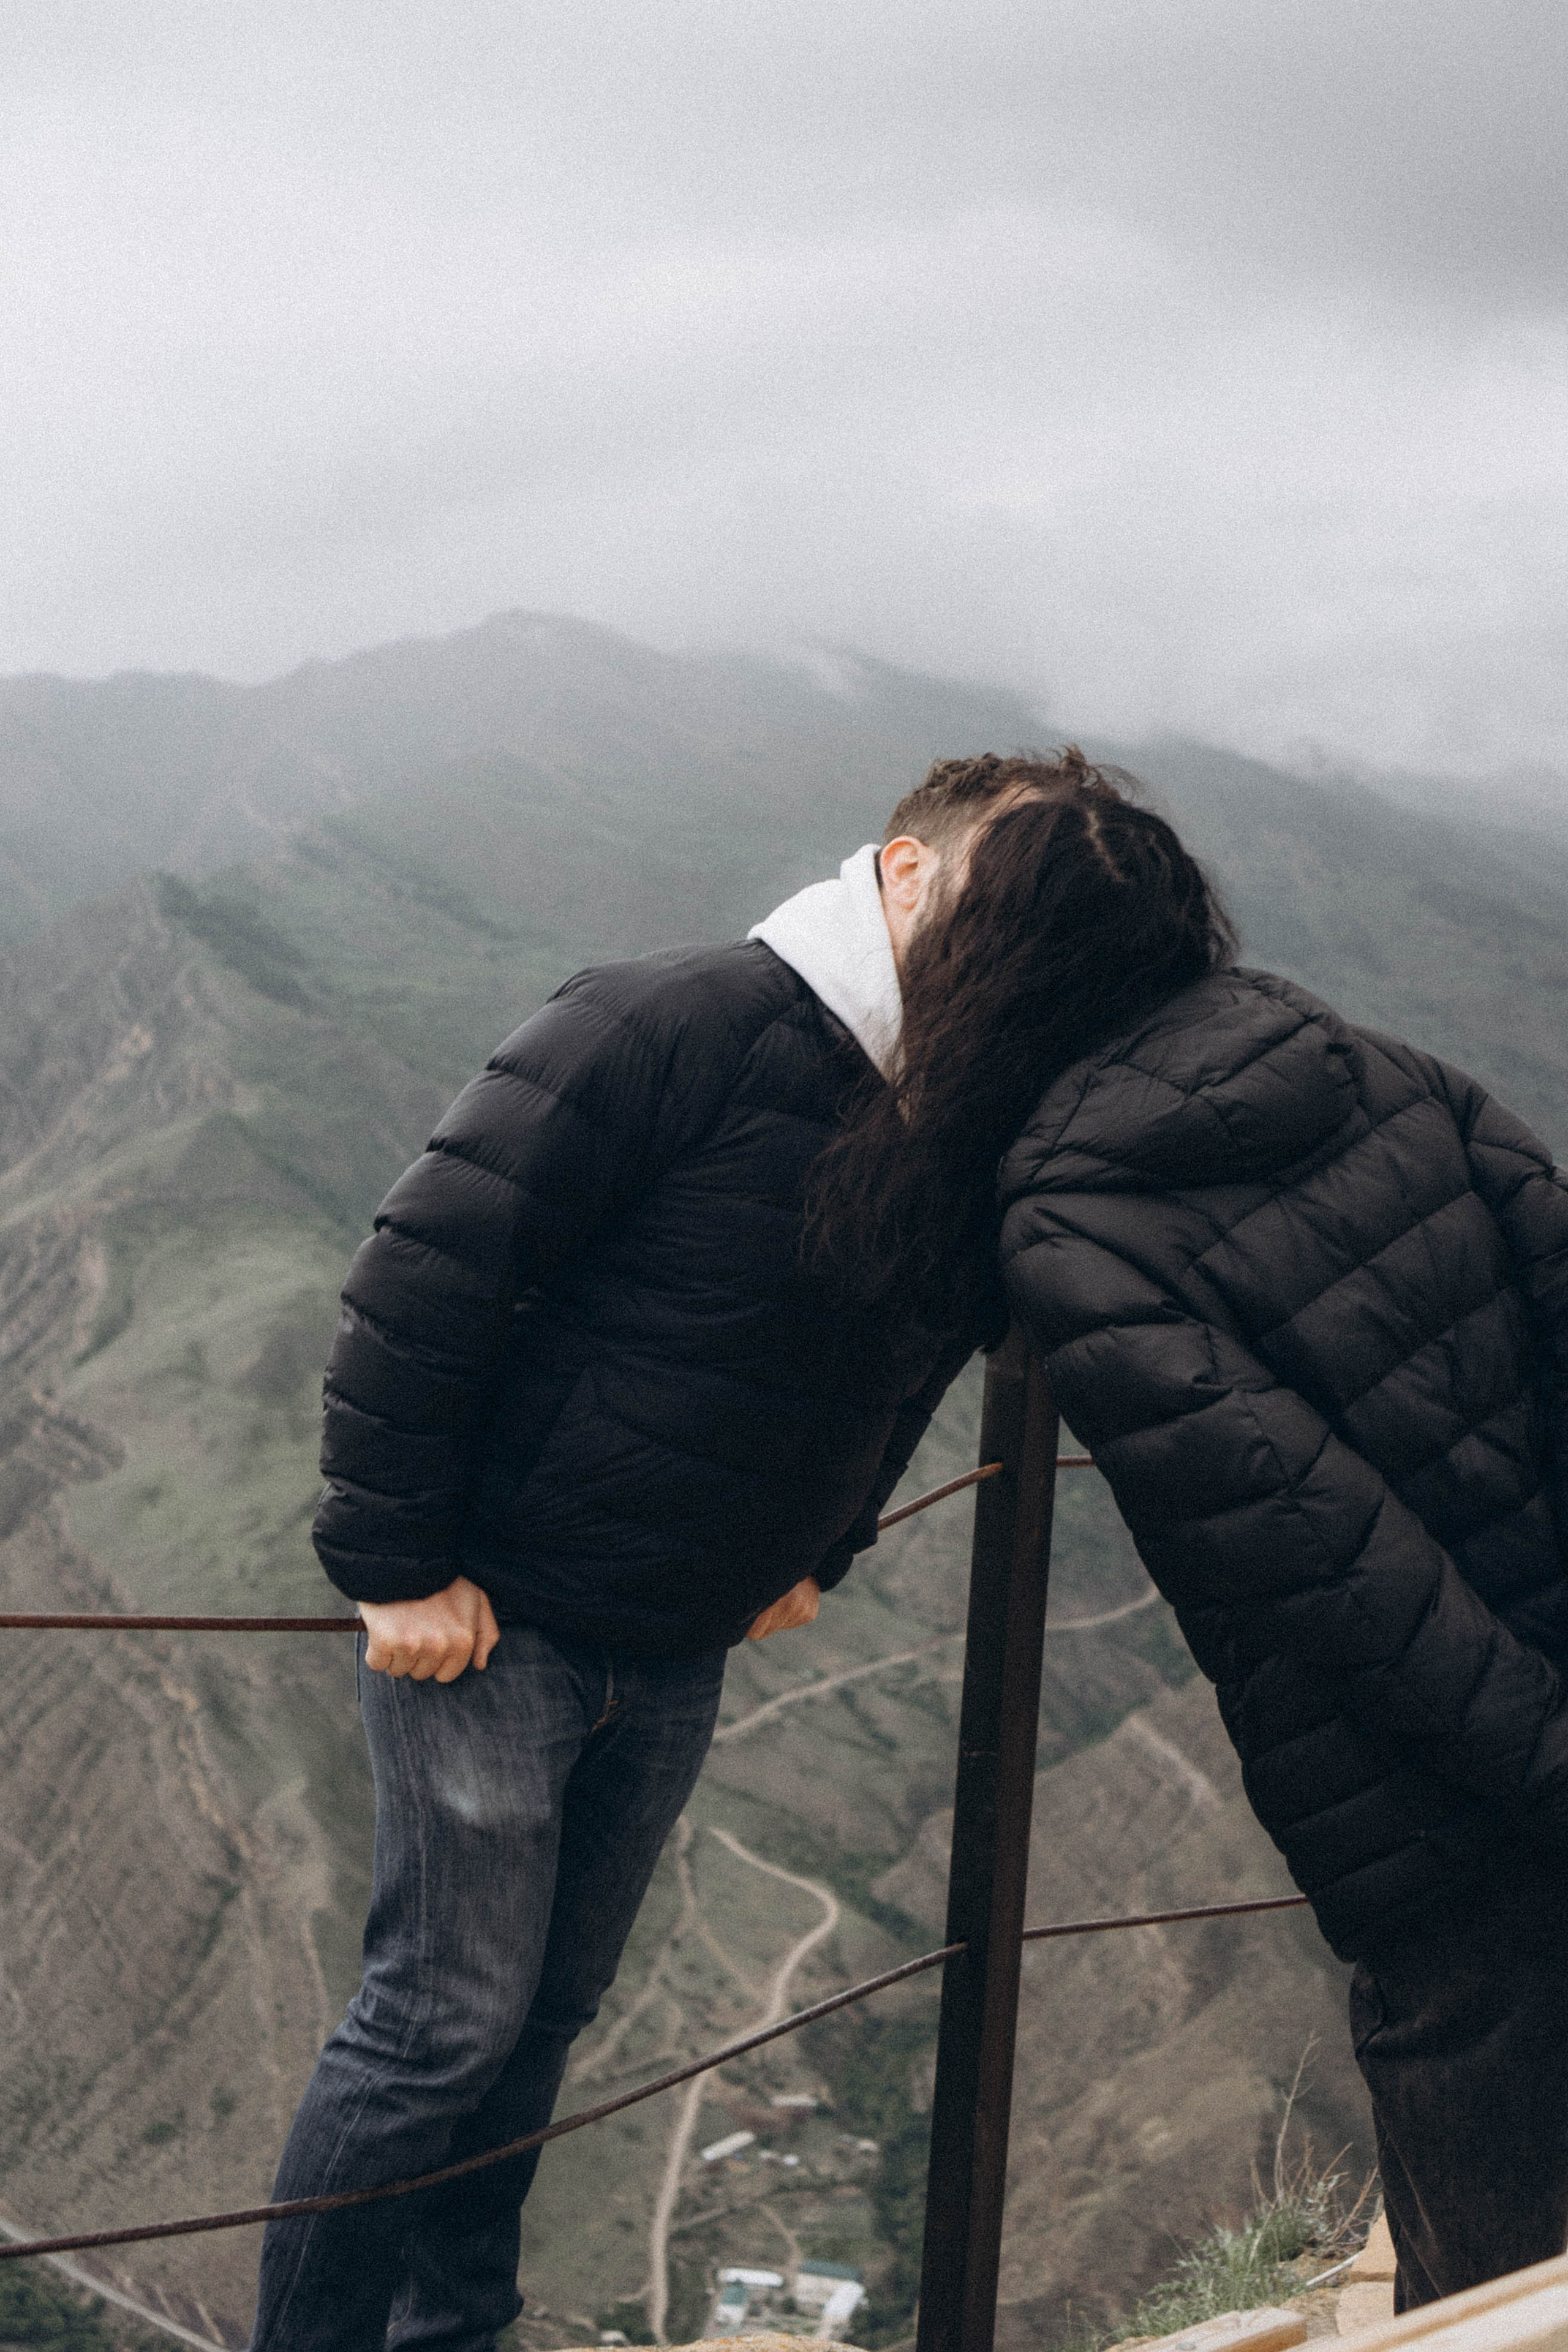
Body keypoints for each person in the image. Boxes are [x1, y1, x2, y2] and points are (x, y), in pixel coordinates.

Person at [252, 752, 1117, 2352]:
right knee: (434, 2031)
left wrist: (826, 1550)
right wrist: (389, 1564)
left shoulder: (951, 1100)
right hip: (493, 1629)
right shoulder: (678, 1021)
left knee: (537, 2035)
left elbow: (919, 1347)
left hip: (675, 1651)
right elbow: (431, 1264)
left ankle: (457, 2336)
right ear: (905, 874)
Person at [811, 753, 1568, 2313]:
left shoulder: (1066, 1219)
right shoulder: (1373, 1063)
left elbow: (1307, 1546)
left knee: (1482, 2223)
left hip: (1428, 1782)